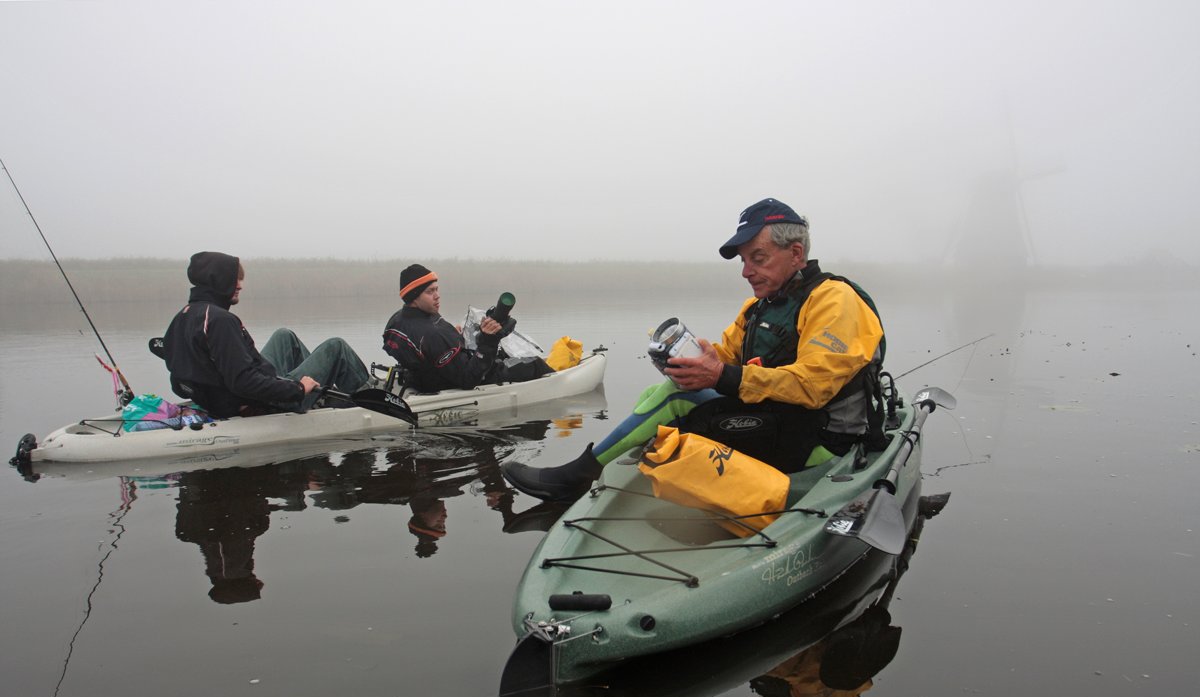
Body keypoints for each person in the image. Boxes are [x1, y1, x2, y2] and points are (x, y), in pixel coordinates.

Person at [502, 197, 885, 502]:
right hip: (782, 424)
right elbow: (727, 358)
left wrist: (720, 375)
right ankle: (625, 470)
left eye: (759, 258)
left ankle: (576, 477)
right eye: (744, 261)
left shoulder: (834, 300)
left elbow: (813, 386)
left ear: (797, 253)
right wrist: (700, 361)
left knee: (671, 402)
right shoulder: (759, 308)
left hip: (824, 444)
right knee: (664, 390)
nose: (746, 271)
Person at [162, 251, 370, 417]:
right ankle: (370, 400)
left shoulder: (185, 315)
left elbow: (179, 381)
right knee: (336, 347)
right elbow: (243, 382)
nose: (240, 286)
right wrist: (297, 389)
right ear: (218, 280)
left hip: (227, 397)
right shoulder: (221, 321)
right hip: (262, 401)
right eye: (235, 279)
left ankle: (320, 393)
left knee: (284, 336)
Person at [381, 264, 553, 393]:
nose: (437, 295)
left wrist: (453, 340)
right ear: (413, 297)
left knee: (503, 355)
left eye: (437, 289)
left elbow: (424, 349)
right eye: (430, 291)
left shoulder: (397, 320)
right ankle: (558, 379)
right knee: (534, 364)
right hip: (449, 382)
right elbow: (468, 379)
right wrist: (489, 340)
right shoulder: (434, 333)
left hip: (422, 378)